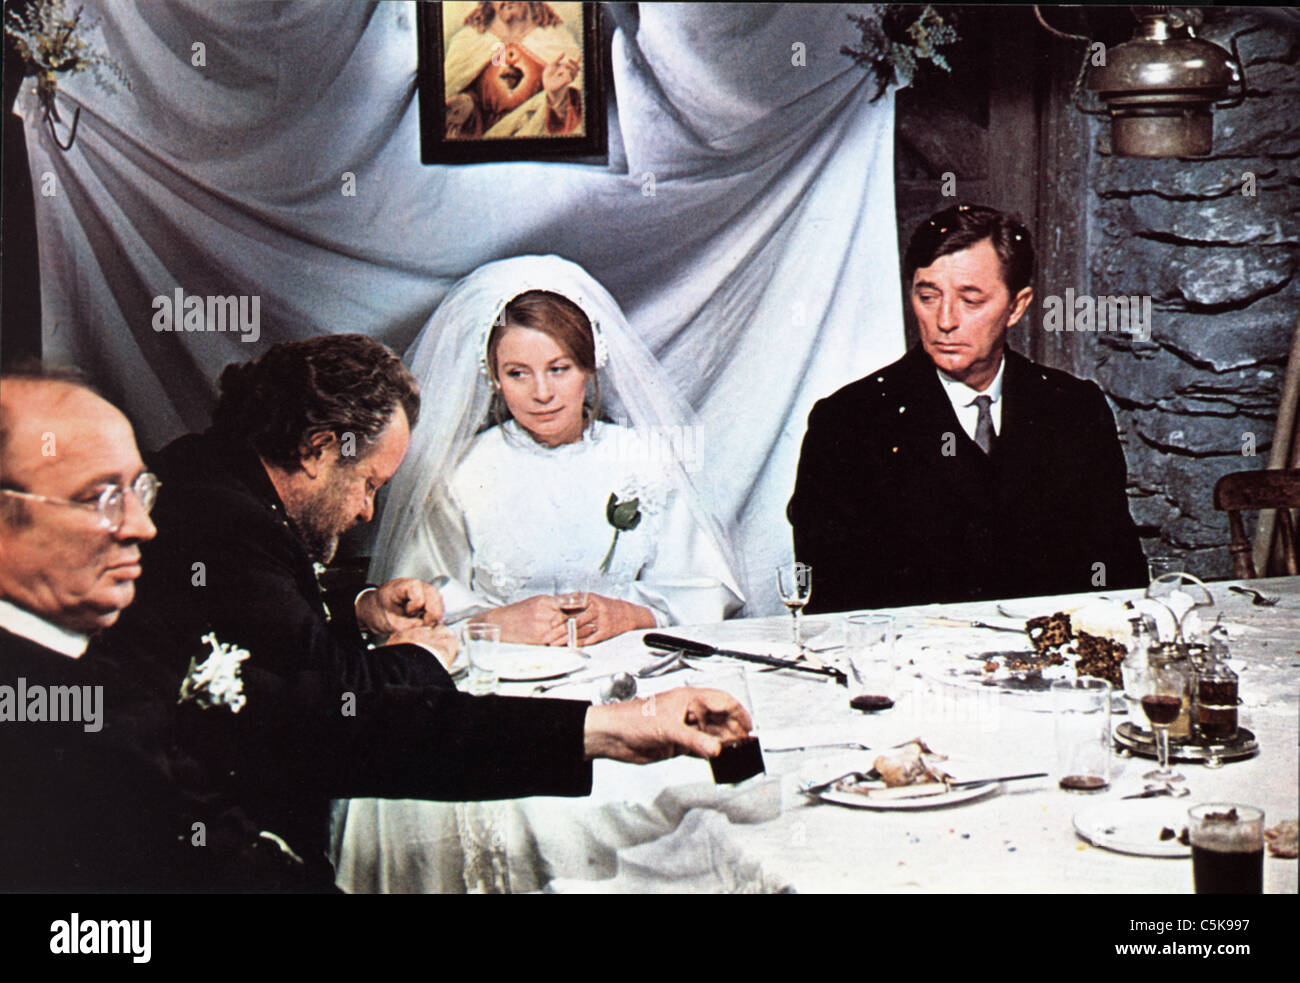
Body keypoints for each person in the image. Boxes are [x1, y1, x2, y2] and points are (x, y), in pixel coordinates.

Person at [102, 335, 750, 891]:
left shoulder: (214, 476)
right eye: (369, 484)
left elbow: (272, 637)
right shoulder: (224, 522)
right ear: (318, 448)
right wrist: (421, 660)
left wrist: (360, 610)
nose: (366, 512)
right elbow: (345, 717)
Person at [788, 203, 1147, 614]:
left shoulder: (1074, 410)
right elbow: (833, 600)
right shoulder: (848, 423)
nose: (945, 320)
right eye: (928, 297)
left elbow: (1117, 574)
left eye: (971, 300)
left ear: (1017, 306)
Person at [369, 254, 744, 644]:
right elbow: (417, 607)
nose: (542, 393)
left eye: (559, 368)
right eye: (517, 373)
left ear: (589, 366)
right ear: (493, 377)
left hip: (631, 662)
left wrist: (630, 614)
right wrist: (495, 623)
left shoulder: (644, 458)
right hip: (504, 671)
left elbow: (704, 589)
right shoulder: (461, 472)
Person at [0, 368, 260, 890]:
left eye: (141, 489)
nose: (143, 526)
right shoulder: (49, 725)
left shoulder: (101, 649)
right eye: (100, 497)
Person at [443, 1, 582, 139]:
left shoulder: (557, 40)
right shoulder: (469, 40)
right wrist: (465, 104)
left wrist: (557, 96)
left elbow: (579, 119)